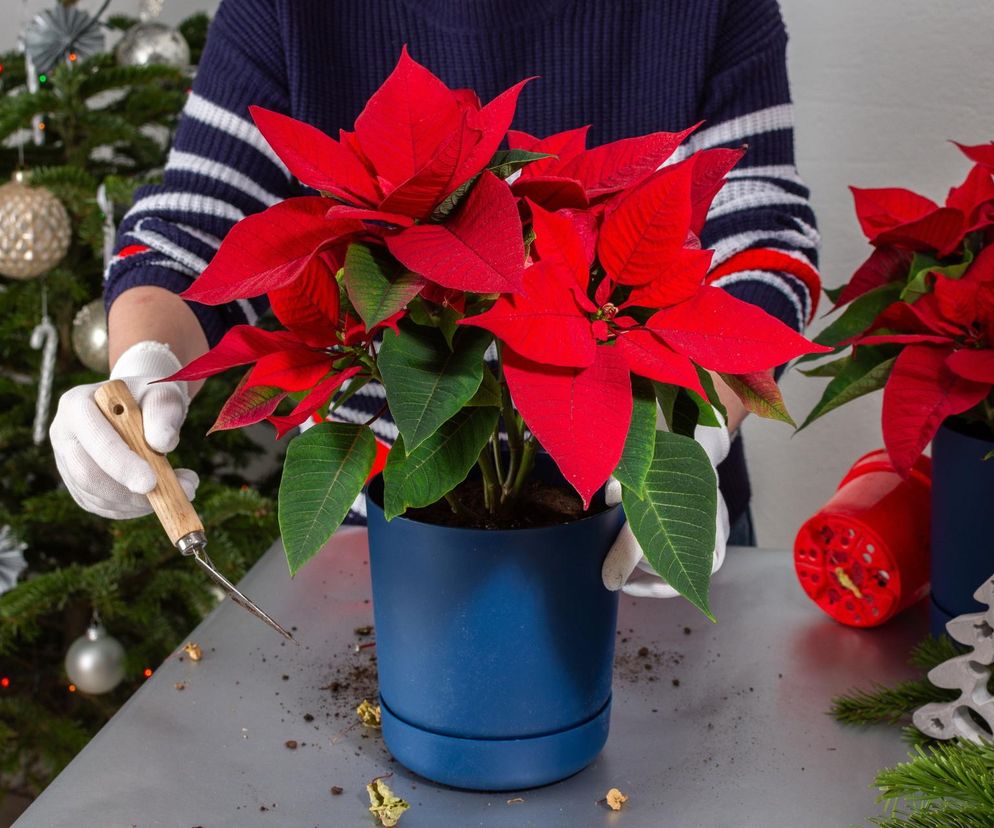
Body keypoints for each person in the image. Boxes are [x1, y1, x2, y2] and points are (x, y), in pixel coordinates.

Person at [51, 0, 819, 589]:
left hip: (640, 516)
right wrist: (144, 365)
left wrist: (688, 443)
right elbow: (202, 217)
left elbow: (762, 233)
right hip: (380, 534)